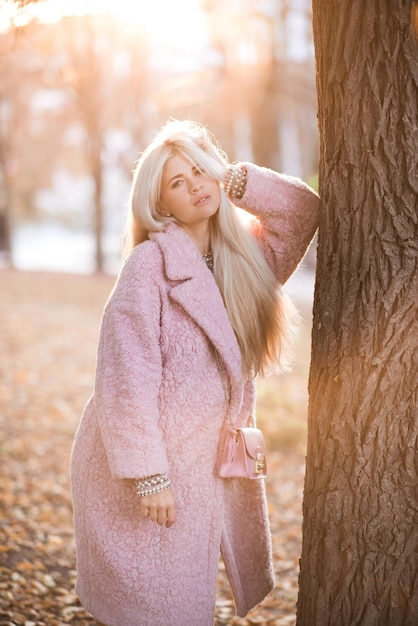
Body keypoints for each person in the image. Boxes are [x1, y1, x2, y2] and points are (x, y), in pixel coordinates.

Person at [70, 119, 319, 626]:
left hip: (207, 463)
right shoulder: (148, 267)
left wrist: (234, 178)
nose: (196, 187)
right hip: (146, 466)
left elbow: (303, 212)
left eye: (199, 172)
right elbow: (123, 378)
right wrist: (148, 475)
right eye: (177, 183)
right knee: (162, 607)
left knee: (184, 602)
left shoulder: (248, 258)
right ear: (162, 205)